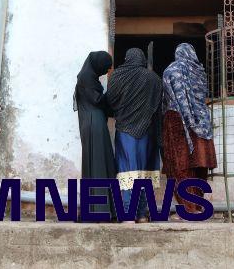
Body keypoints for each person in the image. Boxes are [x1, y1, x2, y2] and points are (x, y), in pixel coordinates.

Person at [106, 48, 163, 223]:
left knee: (127, 172)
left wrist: (122, 111)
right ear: (143, 59)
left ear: (126, 58)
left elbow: (110, 102)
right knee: (144, 173)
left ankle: (127, 214)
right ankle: (142, 214)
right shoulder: (154, 78)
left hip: (126, 132)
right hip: (148, 132)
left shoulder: (117, 76)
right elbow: (158, 106)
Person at [161, 43, 217, 215]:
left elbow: (168, 97)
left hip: (177, 120)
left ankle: (188, 208)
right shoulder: (200, 72)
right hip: (202, 123)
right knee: (199, 165)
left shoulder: (172, 70)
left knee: (180, 165)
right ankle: (198, 205)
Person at [74, 50, 116, 219]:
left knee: (98, 163)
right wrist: (113, 91)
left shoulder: (87, 77)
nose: (106, 71)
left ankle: (99, 208)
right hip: (94, 124)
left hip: (92, 123)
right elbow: (98, 101)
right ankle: (99, 210)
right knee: (98, 163)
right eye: (105, 68)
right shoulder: (87, 79)